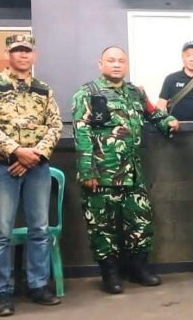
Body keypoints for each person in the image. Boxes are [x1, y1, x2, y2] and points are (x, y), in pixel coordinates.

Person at [72, 46, 178, 294]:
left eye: (121, 60)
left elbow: (153, 114)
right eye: (111, 60)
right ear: (100, 64)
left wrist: (168, 122)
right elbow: (82, 133)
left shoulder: (135, 93)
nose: (117, 64)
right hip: (102, 174)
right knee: (102, 227)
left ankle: (139, 269)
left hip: (133, 174)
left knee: (140, 222)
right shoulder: (87, 93)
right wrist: (87, 171)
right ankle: (110, 275)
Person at [0, 34, 63, 316]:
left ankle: (38, 285)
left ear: (34, 55)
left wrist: (33, 155)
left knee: (39, 230)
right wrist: (15, 151)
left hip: (36, 167)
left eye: (27, 50)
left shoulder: (43, 89)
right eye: (17, 50)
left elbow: (55, 125)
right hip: (0, 167)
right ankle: (1, 292)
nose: (23, 55)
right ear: (7, 54)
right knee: (1, 233)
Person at [156, 41, 193, 121]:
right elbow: (160, 108)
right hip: (176, 127)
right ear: (183, 58)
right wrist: (166, 122)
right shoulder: (170, 79)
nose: (192, 59)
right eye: (188, 55)